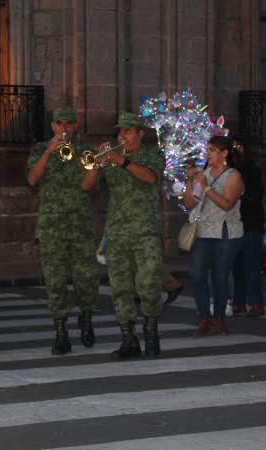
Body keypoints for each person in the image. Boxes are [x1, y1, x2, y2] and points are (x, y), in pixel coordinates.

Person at [82, 111, 165, 358]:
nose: (122, 135)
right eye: (120, 131)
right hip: (117, 231)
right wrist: (96, 163)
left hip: (146, 230)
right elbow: (87, 186)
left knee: (148, 283)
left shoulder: (152, 154)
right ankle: (128, 339)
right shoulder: (111, 158)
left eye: (127, 131)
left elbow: (150, 178)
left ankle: (151, 328)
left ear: (140, 133)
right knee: (120, 288)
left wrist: (122, 161)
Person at [27, 106, 99, 355]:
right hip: (51, 228)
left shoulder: (87, 151)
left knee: (86, 279)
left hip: (80, 227)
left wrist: (74, 155)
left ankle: (87, 317)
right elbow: (32, 180)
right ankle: (61, 332)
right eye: (60, 124)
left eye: (69, 123)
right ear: (53, 127)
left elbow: (90, 184)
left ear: (76, 126)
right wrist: (48, 152)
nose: (65, 128)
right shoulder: (39, 150)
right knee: (55, 282)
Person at [183, 136, 244, 337]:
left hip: (225, 231)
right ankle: (204, 317)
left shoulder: (233, 175)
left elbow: (227, 204)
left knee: (219, 277)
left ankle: (218, 318)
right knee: (197, 273)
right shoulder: (205, 173)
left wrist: (207, 187)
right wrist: (190, 182)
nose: (208, 153)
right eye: (207, 149)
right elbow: (190, 204)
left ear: (224, 153)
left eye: (212, 150)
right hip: (203, 231)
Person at [230, 137, 266, 317]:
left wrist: (238, 200)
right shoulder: (229, 169)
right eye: (233, 147)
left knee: (251, 264)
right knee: (236, 265)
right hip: (234, 223)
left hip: (251, 222)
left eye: (240, 146)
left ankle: (255, 302)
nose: (237, 150)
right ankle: (239, 301)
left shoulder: (251, 168)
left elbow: (257, 194)